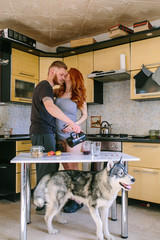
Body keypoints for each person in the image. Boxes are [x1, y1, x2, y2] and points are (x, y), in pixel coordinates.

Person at [30, 61, 81, 213]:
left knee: (49, 168)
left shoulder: (47, 88)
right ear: (52, 71)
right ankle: (43, 204)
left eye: (65, 75)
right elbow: (50, 106)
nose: (64, 77)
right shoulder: (45, 86)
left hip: (44, 132)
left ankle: (45, 203)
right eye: (61, 74)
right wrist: (72, 123)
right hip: (43, 131)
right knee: (46, 170)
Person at [55, 68, 87, 213]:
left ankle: (78, 200)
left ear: (73, 77)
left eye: (67, 73)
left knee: (73, 168)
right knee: (66, 168)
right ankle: (72, 196)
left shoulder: (78, 95)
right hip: (57, 135)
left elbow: (84, 115)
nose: (65, 74)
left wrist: (74, 125)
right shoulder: (58, 92)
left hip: (73, 135)